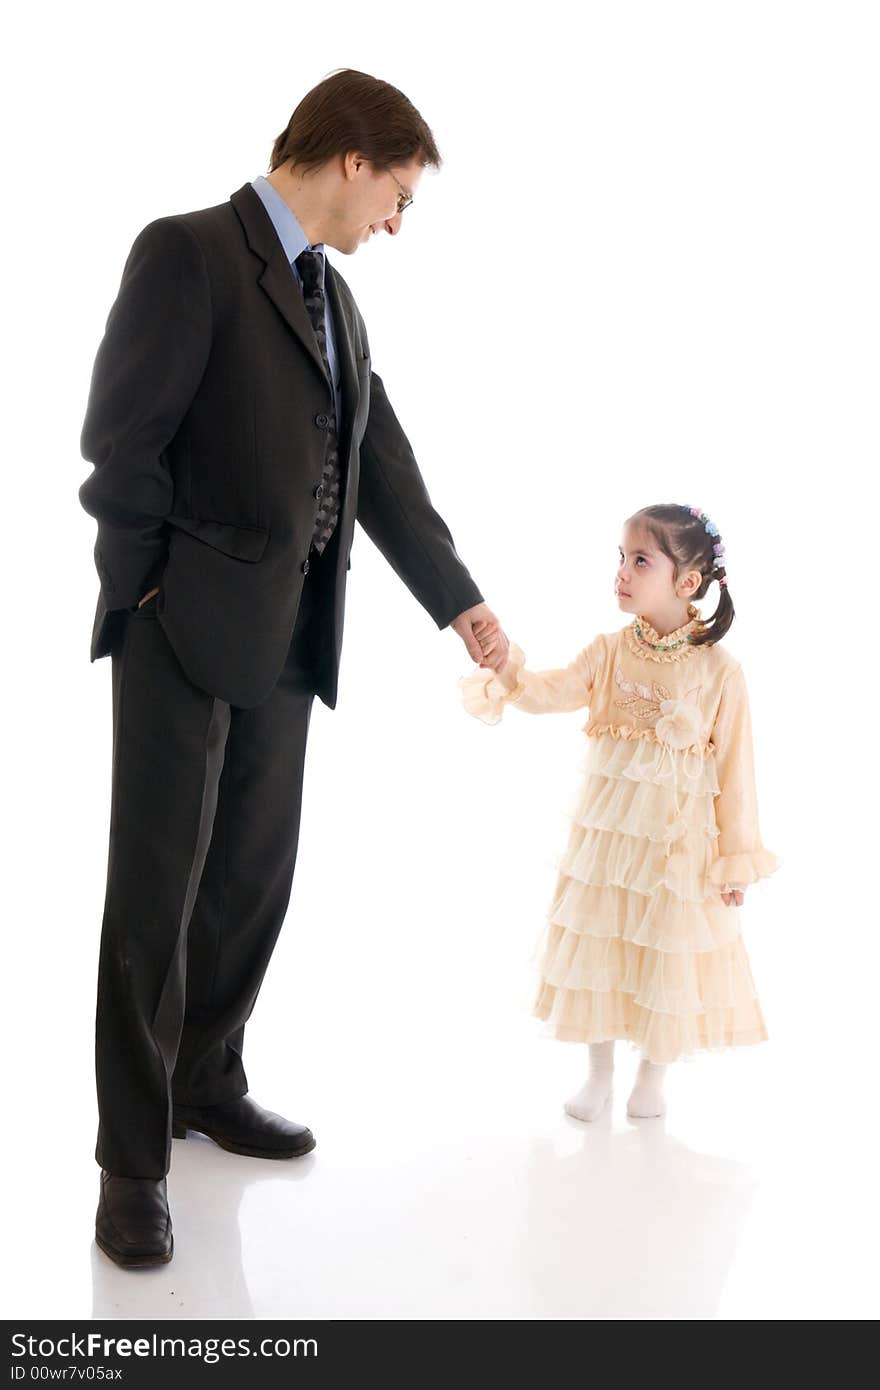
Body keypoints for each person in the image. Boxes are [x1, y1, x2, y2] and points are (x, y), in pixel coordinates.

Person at [79, 68, 508, 1269]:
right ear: (354, 159)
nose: (395, 223)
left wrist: (458, 601)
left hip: (288, 639)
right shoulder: (189, 253)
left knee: (252, 881)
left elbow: (380, 465)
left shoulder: (337, 304)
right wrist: (145, 595)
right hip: (180, 629)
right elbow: (121, 447)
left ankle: (205, 1080)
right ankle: (130, 1162)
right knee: (153, 903)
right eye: (399, 196)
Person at [461, 503, 779, 1121]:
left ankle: (652, 1079)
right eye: (621, 558)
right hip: (609, 845)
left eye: (640, 560)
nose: (622, 573)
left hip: (680, 847)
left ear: (687, 583)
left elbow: (738, 773)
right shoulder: (608, 653)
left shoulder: (721, 672)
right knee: (600, 947)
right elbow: (549, 692)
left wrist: (736, 860)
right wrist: (506, 666)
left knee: (668, 952)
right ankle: (598, 1075)